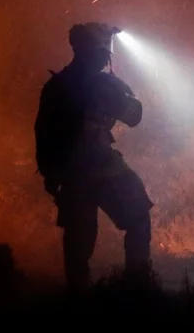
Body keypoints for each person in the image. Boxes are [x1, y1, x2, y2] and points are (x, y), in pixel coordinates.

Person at [34, 22, 154, 291]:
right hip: (103, 167)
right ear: (98, 52)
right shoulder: (103, 85)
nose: (107, 56)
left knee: (78, 242)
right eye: (105, 50)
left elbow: (42, 132)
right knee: (138, 216)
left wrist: (50, 174)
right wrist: (125, 90)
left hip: (69, 174)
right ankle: (138, 288)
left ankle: (79, 301)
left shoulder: (55, 86)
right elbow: (134, 116)